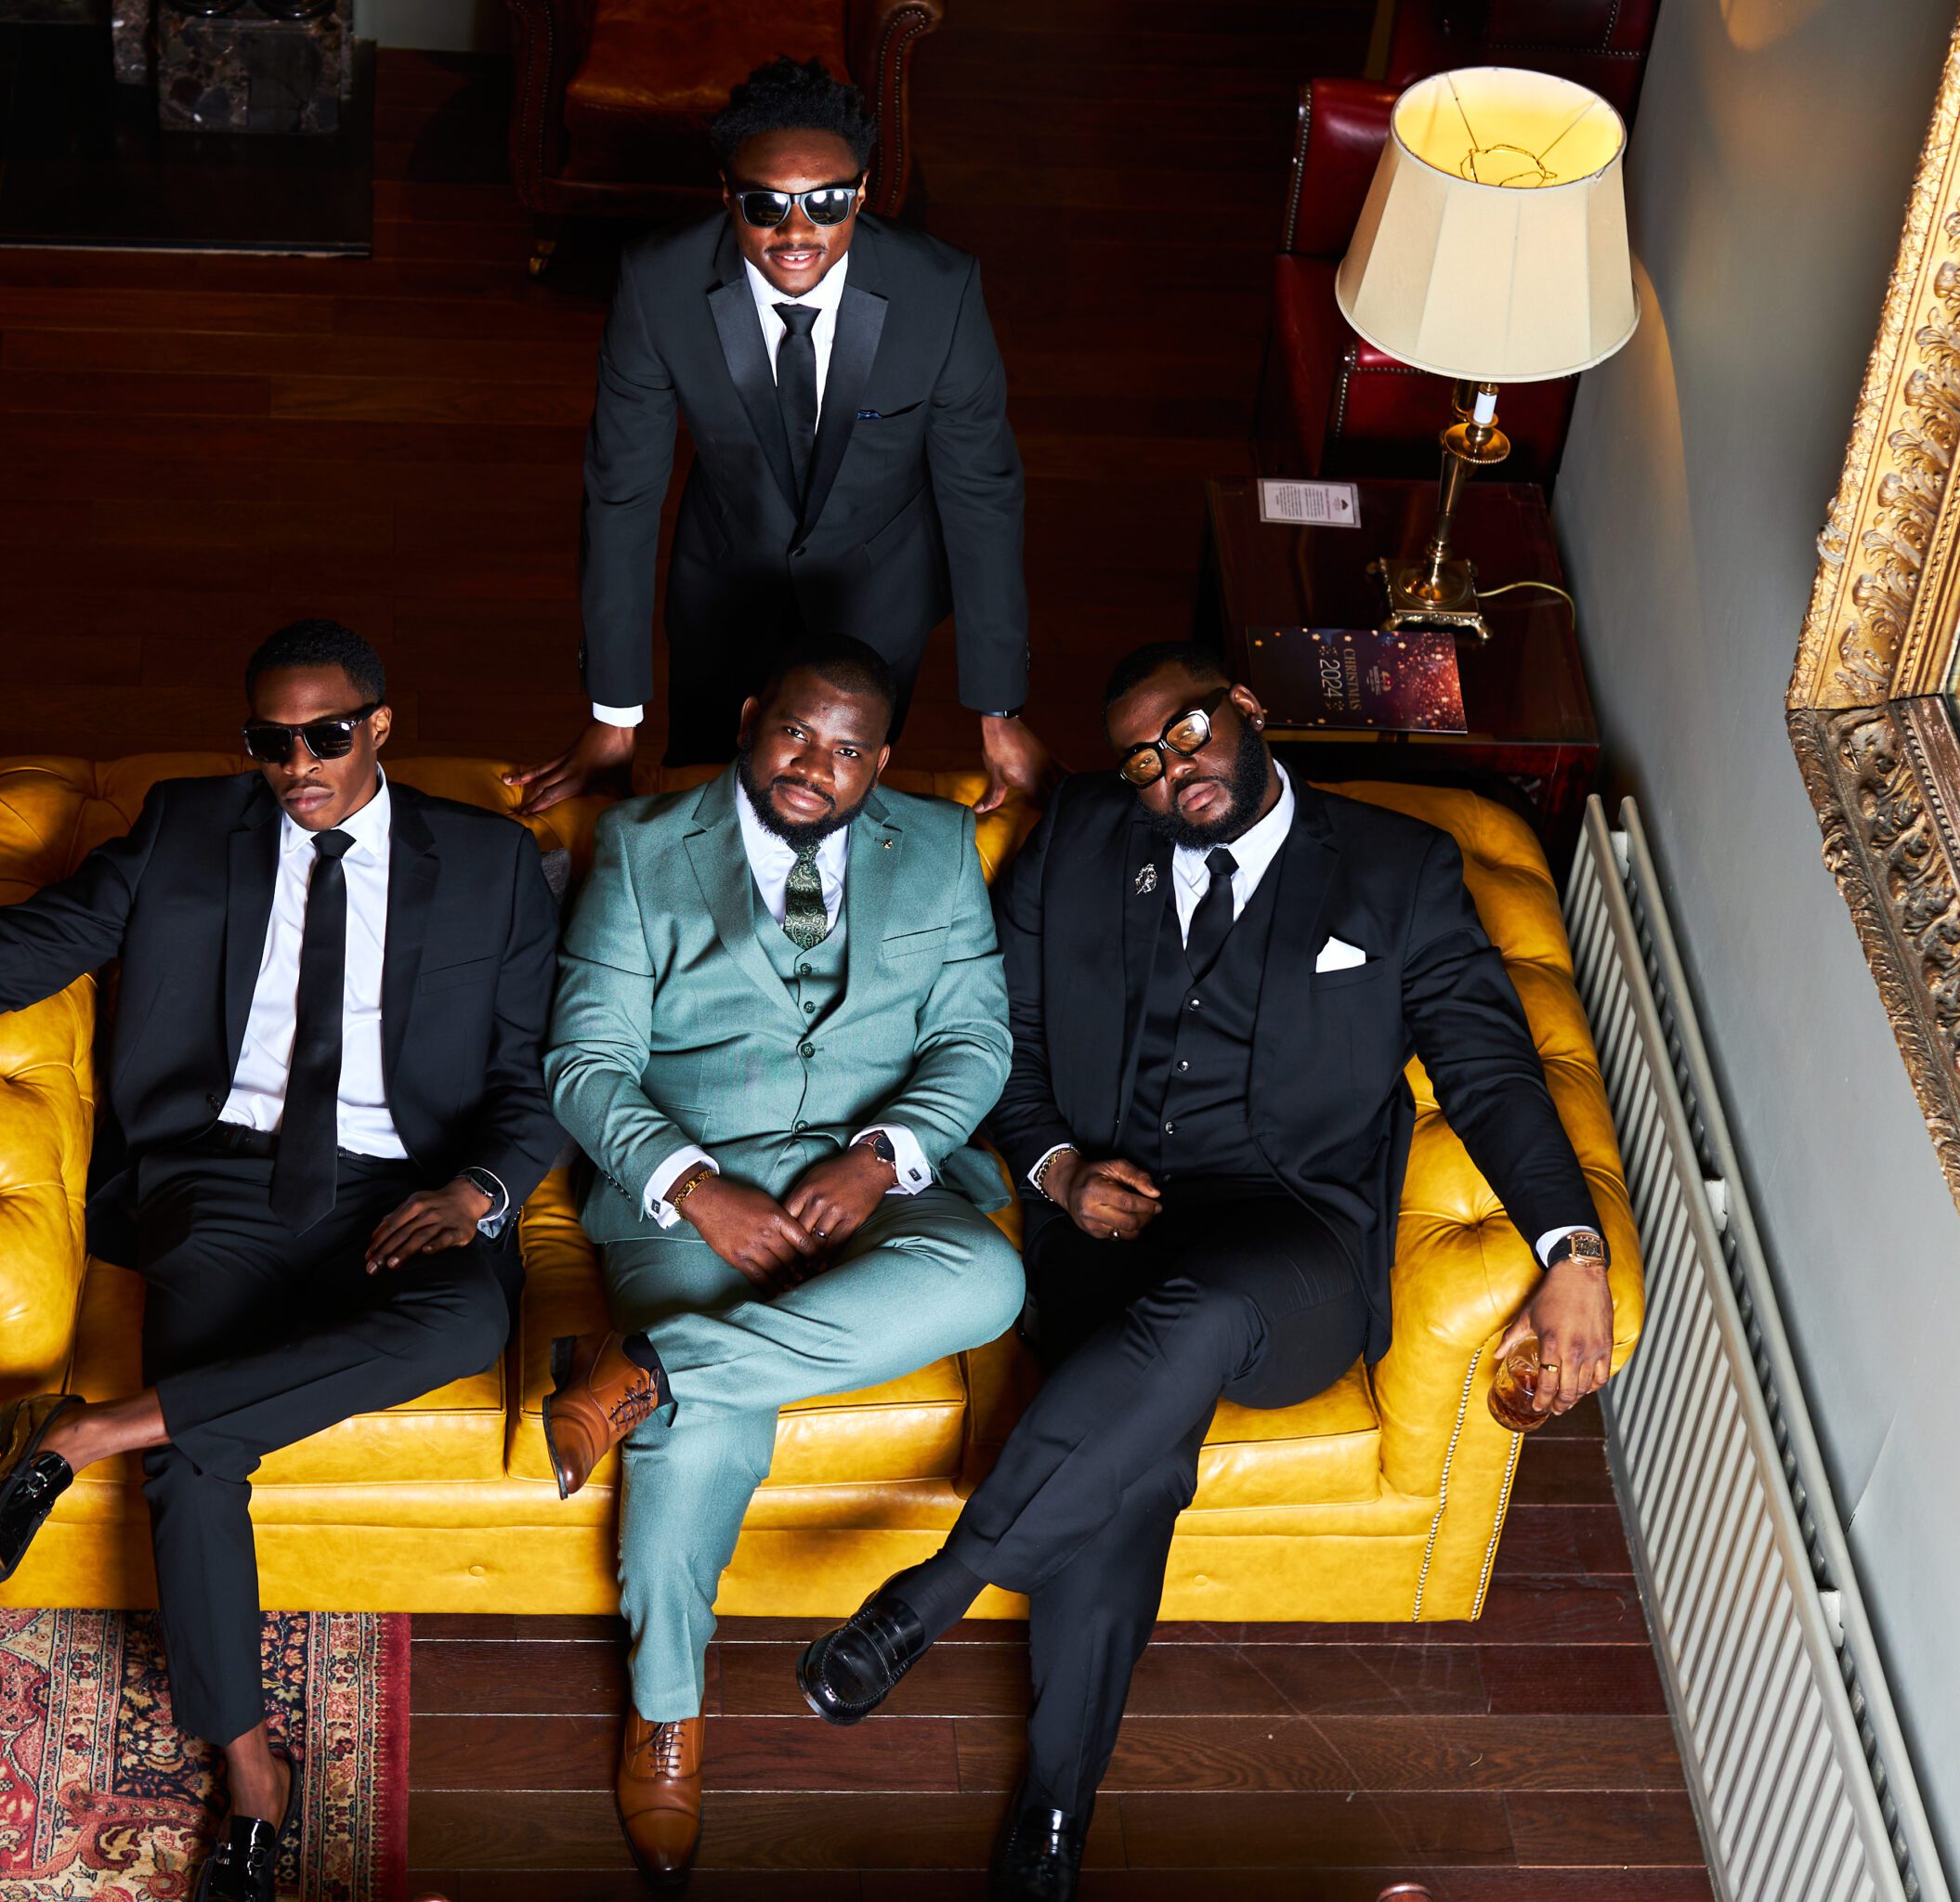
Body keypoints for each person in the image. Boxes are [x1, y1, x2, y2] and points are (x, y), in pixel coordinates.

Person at [0, 620, 566, 1902]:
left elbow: (534, 1073)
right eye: (272, 742)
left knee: (464, 1323)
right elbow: (18, 945)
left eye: (328, 736)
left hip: (409, 1190)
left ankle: (89, 1431)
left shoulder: (493, 865)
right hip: (220, 1185)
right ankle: (252, 1776)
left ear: (381, 726)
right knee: (198, 1457)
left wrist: (476, 1190)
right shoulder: (184, 832)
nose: (300, 766)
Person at [793, 641, 1621, 1901]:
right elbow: (1000, 1041)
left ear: (1241, 705)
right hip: (1105, 1227)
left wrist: (1572, 1246)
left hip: (1294, 1242)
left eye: (1186, 733)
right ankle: (1052, 1820)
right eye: (1140, 761)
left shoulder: (1394, 870)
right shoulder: (1080, 838)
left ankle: (930, 1597)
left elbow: (1489, 1072)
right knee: (1129, 1464)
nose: (1172, 773)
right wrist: (1060, 1170)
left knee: (1208, 1309)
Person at [537, 635, 1026, 1889]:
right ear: (753, 716)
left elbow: (974, 1042)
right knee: (705, 1435)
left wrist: (880, 1156)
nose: (818, 765)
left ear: (883, 761)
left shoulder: (940, 849)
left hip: (871, 1190)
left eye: (850, 749)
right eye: (799, 733)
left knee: (990, 1279)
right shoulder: (640, 847)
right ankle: (665, 1713)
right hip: (690, 1199)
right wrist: (696, 1188)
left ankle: (643, 1369)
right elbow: (587, 1061)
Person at [506, 56, 1052, 818]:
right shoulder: (657, 285)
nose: (797, 232)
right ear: (726, 194)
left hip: (879, 589)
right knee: (705, 793)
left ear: (863, 191)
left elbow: (981, 495)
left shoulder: (942, 292)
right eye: (765, 204)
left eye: (827, 202)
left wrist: (1000, 710)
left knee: (837, 803)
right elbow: (621, 493)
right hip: (723, 585)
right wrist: (614, 716)